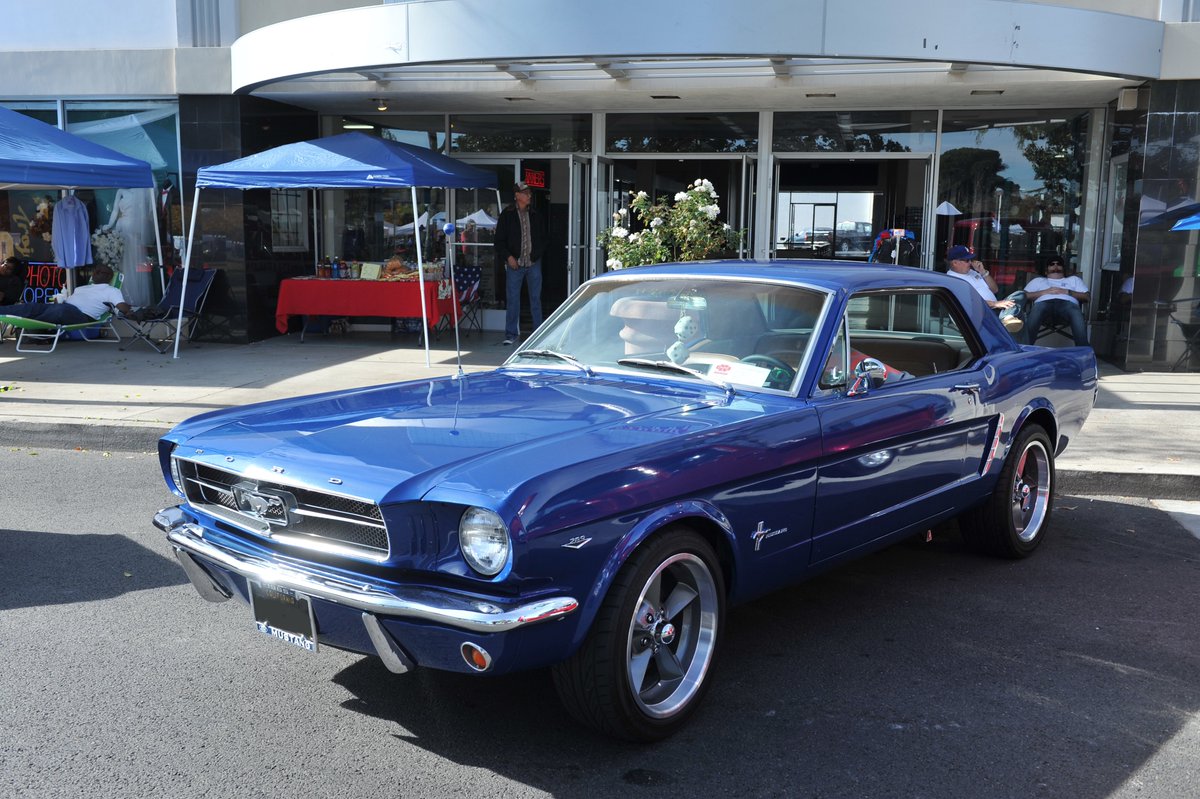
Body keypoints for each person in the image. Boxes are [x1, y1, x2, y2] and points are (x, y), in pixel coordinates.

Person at [494, 181, 546, 345]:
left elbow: (544, 239)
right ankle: (511, 334)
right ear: (517, 196)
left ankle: (537, 334)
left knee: (535, 299)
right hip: (514, 264)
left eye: (529, 193)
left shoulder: (536, 214)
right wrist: (509, 257)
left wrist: (535, 256)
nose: (529, 196)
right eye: (526, 193)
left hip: (533, 263)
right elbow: (499, 241)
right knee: (513, 299)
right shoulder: (507, 214)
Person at [0, 264, 130, 325]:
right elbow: (68, 302)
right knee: (31, 306)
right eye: (95, 271)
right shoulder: (81, 288)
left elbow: (122, 307)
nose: (94, 273)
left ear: (108, 276)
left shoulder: (112, 290)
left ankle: (33, 325)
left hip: (81, 316)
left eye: (99, 272)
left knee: (60, 310)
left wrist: (132, 311)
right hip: (63, 307)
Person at [944, 245, 1024, 333]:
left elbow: (995, 289)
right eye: (967, 260)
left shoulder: (972, 272)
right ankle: (1007, 318)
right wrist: (996, 304)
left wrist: (983, 272)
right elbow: (971, 303)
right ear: (955, 263)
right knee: (1019, 316)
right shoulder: (952, 280)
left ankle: (1008, 317)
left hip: (994, 308)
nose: (970, 263)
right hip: (980, 314)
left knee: (1020, 295)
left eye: (971, 260)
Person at [1023, 255, 1090, 346]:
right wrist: (1044, 292)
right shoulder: (1038, 280)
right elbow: (1023, 296)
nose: (1055, 266)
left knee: (1075, 311)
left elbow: (1087, 296)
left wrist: (1068, 292)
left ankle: (1083, 351)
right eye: (1052, 264)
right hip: (1043, 304)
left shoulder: (1074, 280)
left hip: (1068, 305)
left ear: (1063, 268)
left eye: (1059, 264)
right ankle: (1025, 348)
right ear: (1046, 270)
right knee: (1037, 309)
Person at [103, 187, 154, 307]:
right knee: (122, 261)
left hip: (133, 227)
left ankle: (136, 295)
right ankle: (123, 295)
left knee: (134, 260)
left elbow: (146, 212)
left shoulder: (142, 191)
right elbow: (115, 210)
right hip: (121, 227)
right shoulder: (121, 191)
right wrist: (110, 224)